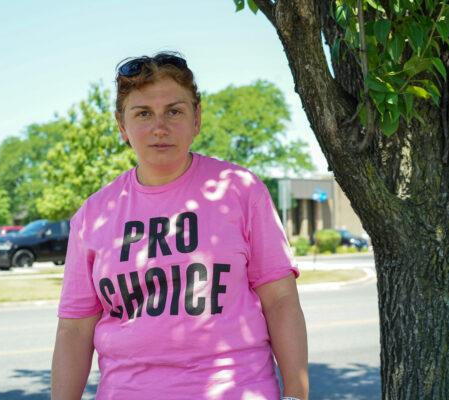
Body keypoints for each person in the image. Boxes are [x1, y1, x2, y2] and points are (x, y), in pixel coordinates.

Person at [51, 52, 309, 400]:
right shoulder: (93, 215)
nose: (160, 127)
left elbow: (280, 300)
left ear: (197, 118)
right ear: (122, 125)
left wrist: (296, 393)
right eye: (143, 113)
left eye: (174, 111)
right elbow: (74, 330)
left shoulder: (240, 190)